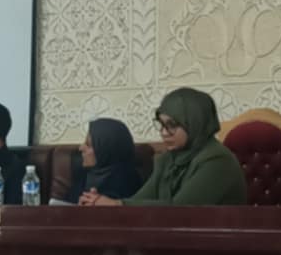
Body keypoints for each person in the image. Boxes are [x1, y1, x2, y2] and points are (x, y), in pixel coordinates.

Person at [82, 88, 246, 206]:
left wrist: (116, 205)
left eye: (172, 125)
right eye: (161, 125)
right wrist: (99, 202)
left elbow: (180, 210)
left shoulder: (217, 160)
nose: (164, 133)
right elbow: (140, 200)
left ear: (195, 123)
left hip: (219, 241)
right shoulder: (168, 159)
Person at [72, 118, 144, 202]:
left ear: (106, 149)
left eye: (88, 145)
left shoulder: (127, 181)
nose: (80, 148)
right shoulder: (84, 174)